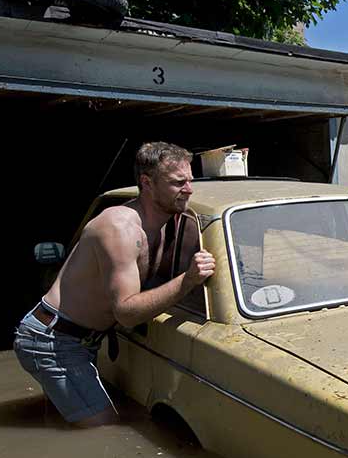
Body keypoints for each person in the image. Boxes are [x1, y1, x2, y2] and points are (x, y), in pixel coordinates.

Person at [13, 142, 215, 427]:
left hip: (81, 338)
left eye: (190, 181)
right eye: (178, 182)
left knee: (70, 419)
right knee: (103, 430)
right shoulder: (119, 228)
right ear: (147, 183)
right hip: (53, 340)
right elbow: (126, 313)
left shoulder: (168, 221)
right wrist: (188, 280)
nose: (189, 189)